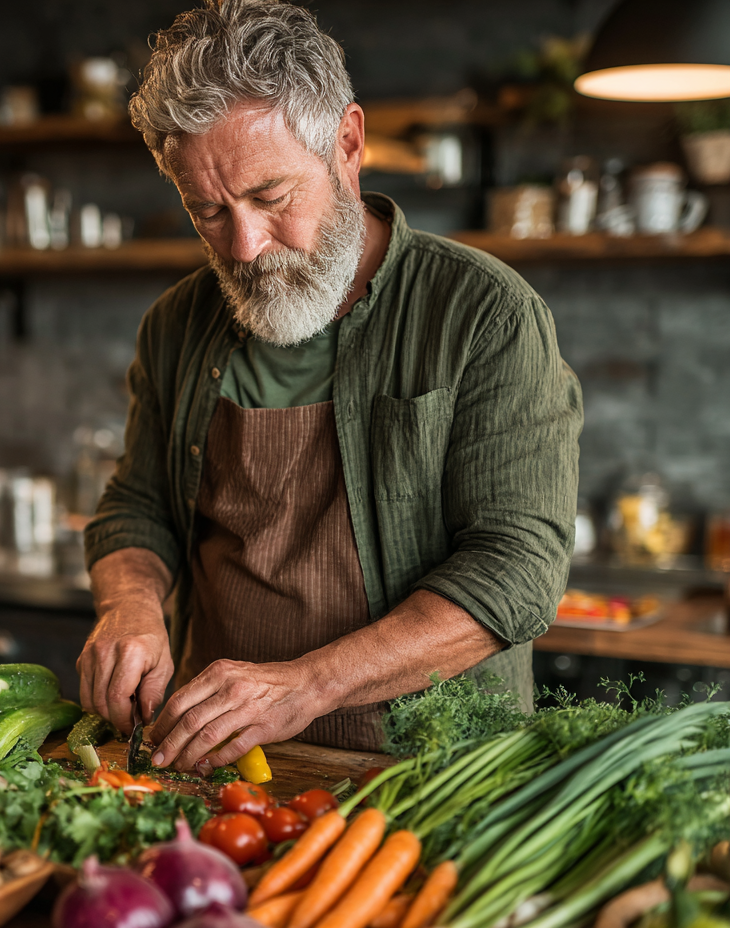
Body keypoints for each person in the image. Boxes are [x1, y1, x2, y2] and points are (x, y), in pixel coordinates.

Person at [78, 0, 582, 773]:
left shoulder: (484, 314)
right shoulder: (176, 325)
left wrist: (307, 685)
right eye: (207, 211)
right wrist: (130, 605)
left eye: (271, 197)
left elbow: (515, 568)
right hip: (223, 769)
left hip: (432, 774)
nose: (243, 246)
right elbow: (138, 507)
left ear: (348, 143)